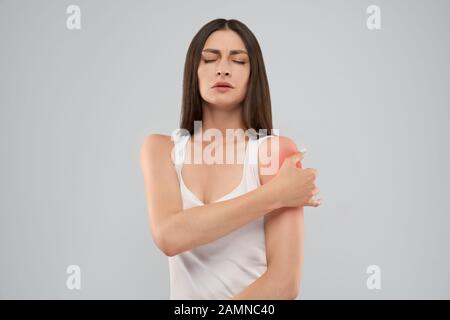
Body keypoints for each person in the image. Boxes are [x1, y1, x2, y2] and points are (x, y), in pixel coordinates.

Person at [140, 18, 321, 300]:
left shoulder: (274, 152)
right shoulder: (160, 150)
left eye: (238, 61)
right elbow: (169, 236)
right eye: (210, 59)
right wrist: (274, 195)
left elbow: (284, 284)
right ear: (194, 72)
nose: (223, 69)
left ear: (253, 75)